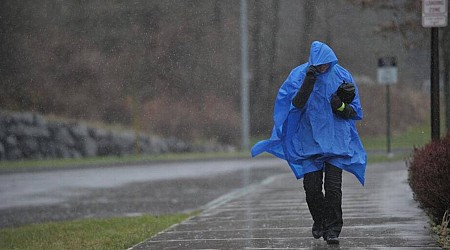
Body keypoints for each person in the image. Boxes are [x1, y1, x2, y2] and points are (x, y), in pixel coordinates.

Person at [251, 41, 367, 245]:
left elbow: (354, 112)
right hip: (309, 141)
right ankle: (320, 220)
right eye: (319, 65)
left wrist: (340, 105)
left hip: (336, 141)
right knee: (312, 189)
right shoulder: (298, 76)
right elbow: (293, 104)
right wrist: (308, 83)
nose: (323, 68)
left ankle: (333, 229)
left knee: (333, 188)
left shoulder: (342, 75)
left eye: (326, 64)